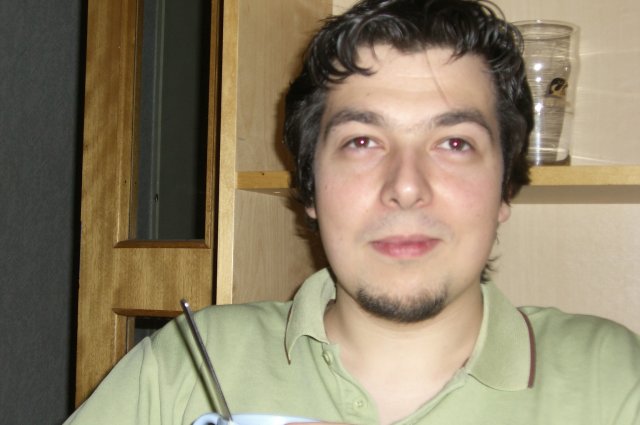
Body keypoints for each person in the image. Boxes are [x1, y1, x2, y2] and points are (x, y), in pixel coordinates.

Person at [64, 1, 640, 424]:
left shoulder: (612, 380)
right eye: (362, 142)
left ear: (505, 189)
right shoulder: (188, 362)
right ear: (311, 190)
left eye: (454, 143)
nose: (406, 187)